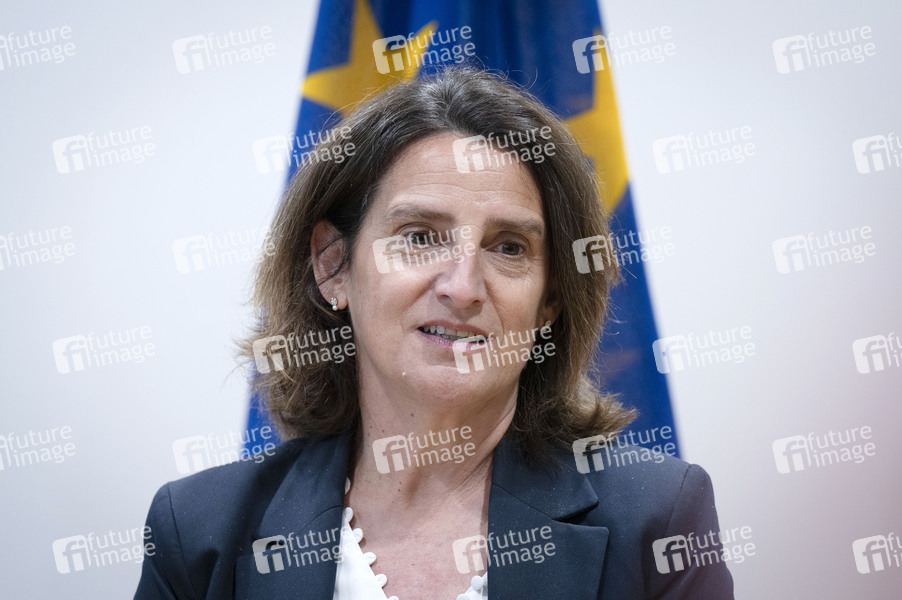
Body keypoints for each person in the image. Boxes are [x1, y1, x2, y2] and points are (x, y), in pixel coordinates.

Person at [135, 67, 734, 600]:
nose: (463, 286)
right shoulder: (200, 532)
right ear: (333, 265)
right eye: (420, 236)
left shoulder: (657, 519)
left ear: (550, 299)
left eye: (508, 247)